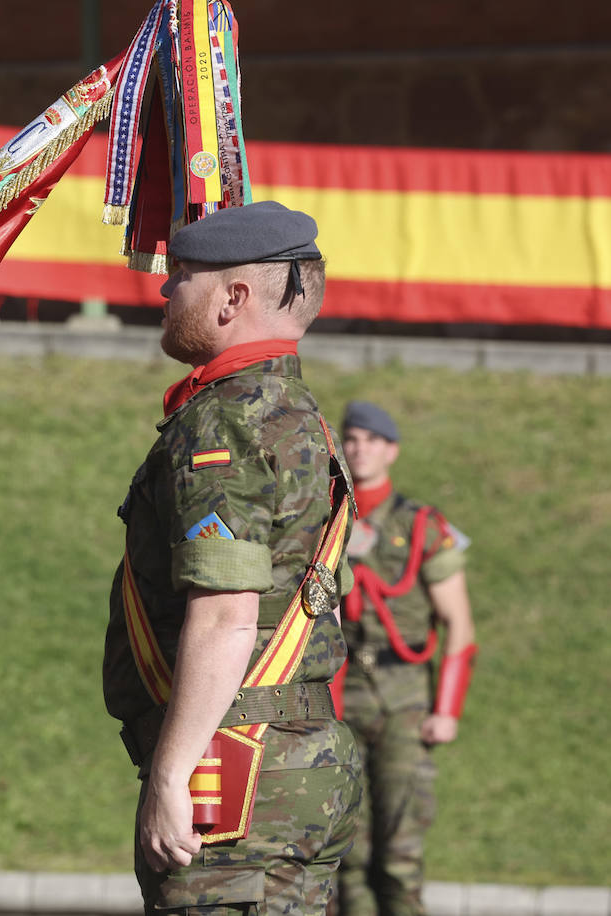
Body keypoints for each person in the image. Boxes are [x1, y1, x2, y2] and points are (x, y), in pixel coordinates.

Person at [102, 201, 362, 915]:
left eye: (181, 275)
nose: (163, 290)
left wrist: (171, 775)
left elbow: (225, 615)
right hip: (294, 759)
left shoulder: (224, 421)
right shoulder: (292, 411)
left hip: (235, 770)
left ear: (233, 299)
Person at [333, 401, 477, 916]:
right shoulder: (325, 519)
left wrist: (447, 711)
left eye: (372, 441)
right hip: (337, 697)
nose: (360, 449)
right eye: (351, 439)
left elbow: (458, 625)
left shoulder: (421, 525)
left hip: (403, 698)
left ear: (391, 450)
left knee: (398, 855)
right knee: (343, 852)